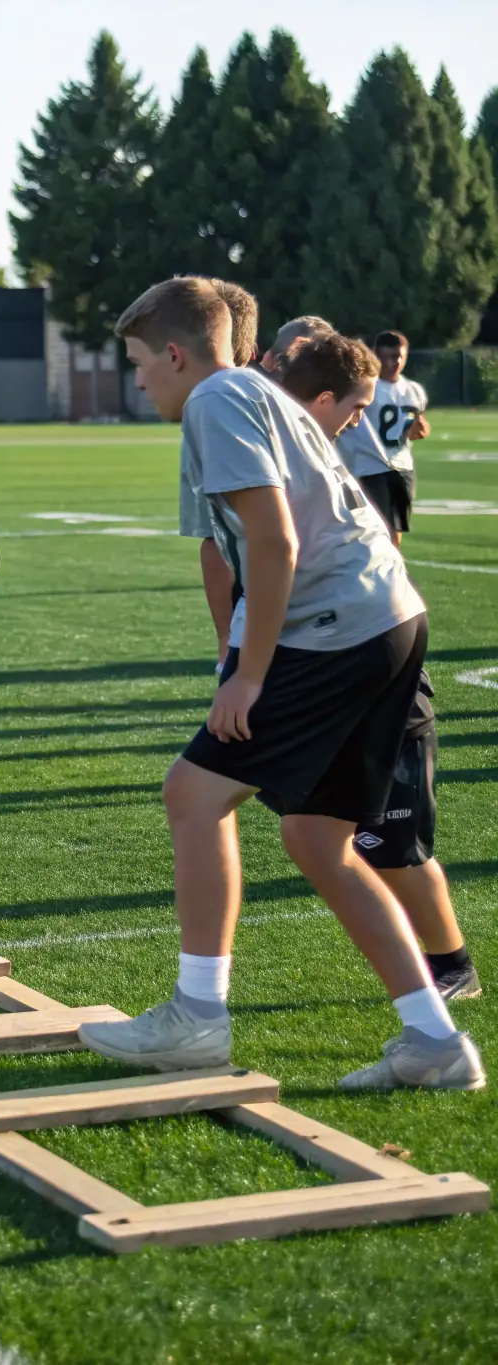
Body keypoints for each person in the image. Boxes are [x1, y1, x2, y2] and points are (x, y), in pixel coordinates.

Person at [78, 277, 483, 1092]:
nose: (139, 380)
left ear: (177, 353)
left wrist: (248, 674)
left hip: (337, 626)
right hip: (386, 619)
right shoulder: (248, 393)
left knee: (192, 795)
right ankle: (435, 1039)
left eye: (139, 363)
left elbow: (273, 542)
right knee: (312, 837)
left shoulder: (215, 401)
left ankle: (198, 1015)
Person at [276, 330, 480, 1001]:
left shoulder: (315, 459)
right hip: (332, 665)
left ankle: (450, 968)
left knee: (393, 844)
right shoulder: (292, 451)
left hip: (379, 670)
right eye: (356, 406)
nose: (361, 417)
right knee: (314, 831)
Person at [178, 280, 260, 669]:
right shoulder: (277, 397)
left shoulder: (212, 404)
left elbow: (216, 545)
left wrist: (227, 641)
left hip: (294, 618)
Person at [336, 330, 428, 545]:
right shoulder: (365, 385)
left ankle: (391, 571)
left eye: (399, 356)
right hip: (369, 465)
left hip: (401, 465)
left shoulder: (413, 389)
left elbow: (418, 428)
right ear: (376, 355)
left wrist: (420, 430)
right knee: (373, 528)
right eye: (388, 356)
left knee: (395, 529)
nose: (394, 362)